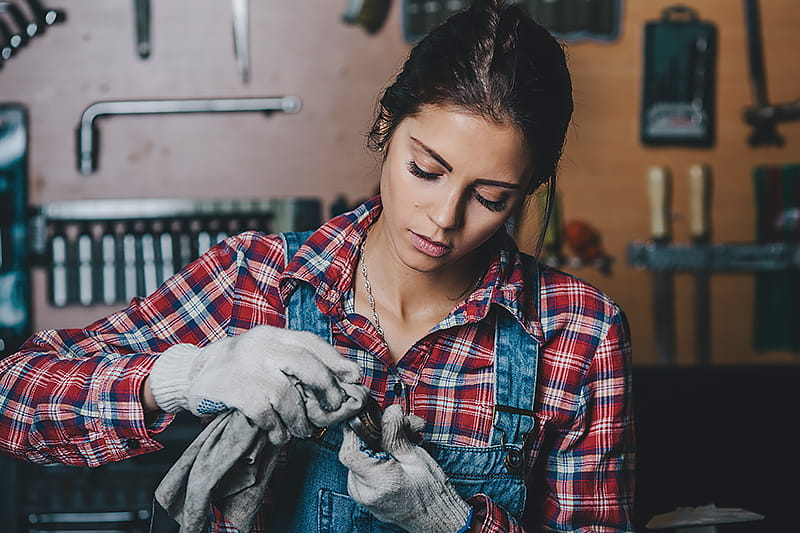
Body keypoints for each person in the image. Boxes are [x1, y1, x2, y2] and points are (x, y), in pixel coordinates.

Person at [0, 0, 634, 531]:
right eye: (425, 169)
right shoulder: (256, 279)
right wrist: (187, 373)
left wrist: (450, 521)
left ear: (530, 192)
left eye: (491, 197)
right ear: (386, 127)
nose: (444, 217)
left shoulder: (578, 333)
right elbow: (15, 395)